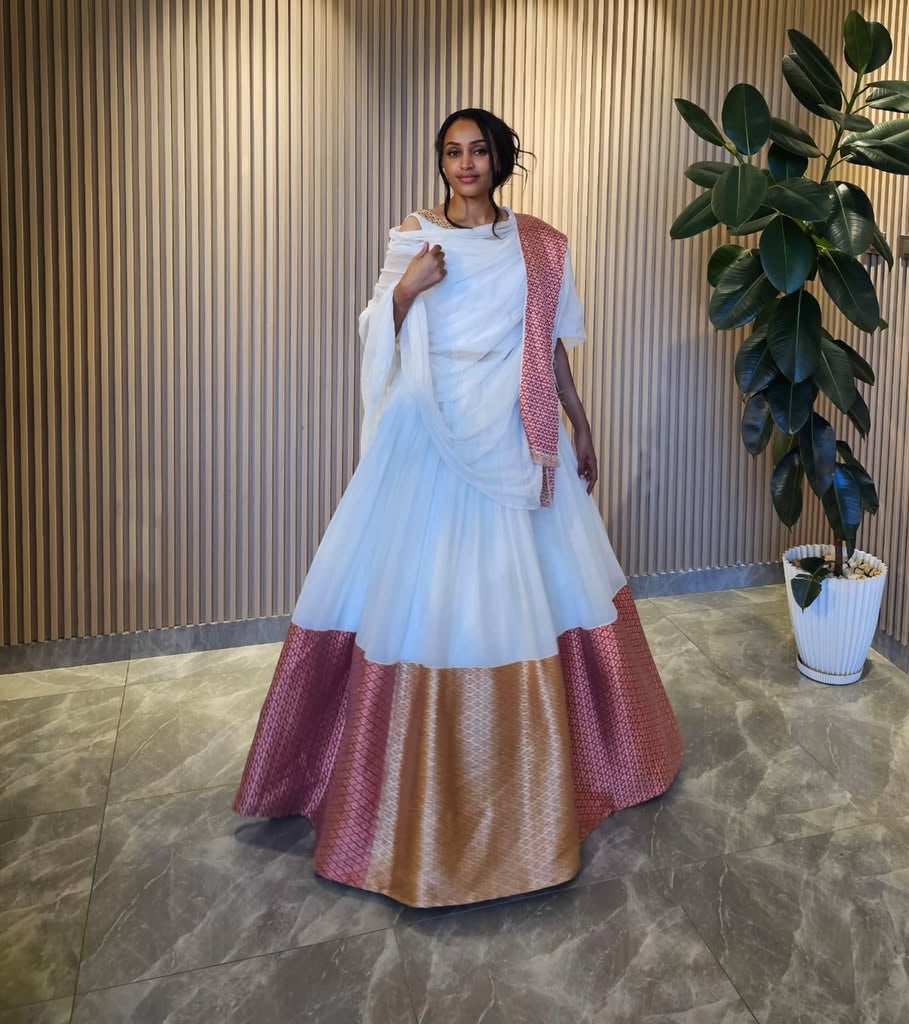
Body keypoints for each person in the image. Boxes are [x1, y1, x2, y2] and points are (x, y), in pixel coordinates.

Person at [234, 108, 683, 908]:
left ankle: (548, 782)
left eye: (478, 150)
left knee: (533, 594)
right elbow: (378, 328)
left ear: (500, 158)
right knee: (421, 594)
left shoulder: (540, 244)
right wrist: (407, 289)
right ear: (440, 162)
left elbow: (548, 349)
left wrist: (579, 421)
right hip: (431, 425)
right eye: (453, 152)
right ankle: (389, 796)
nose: (465, 163)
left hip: (517, 427)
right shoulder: (414, 236)